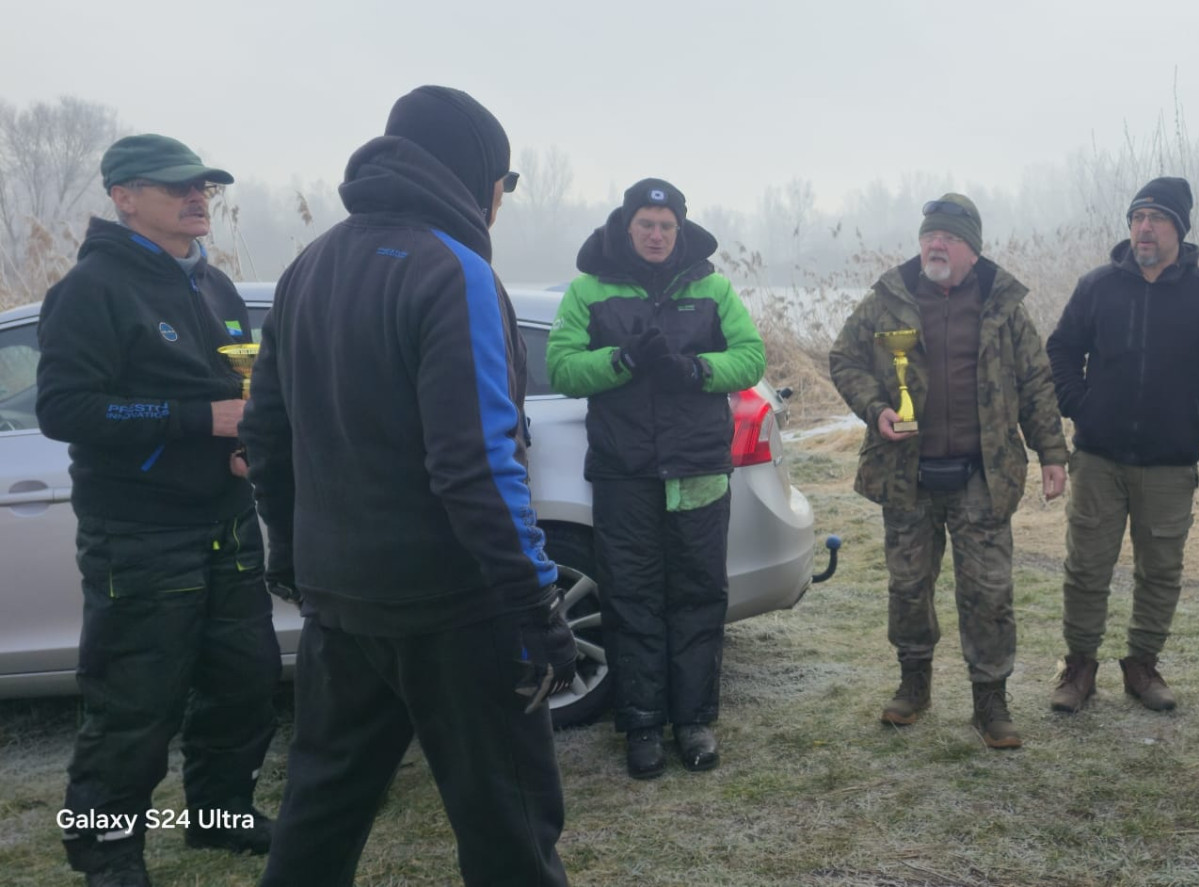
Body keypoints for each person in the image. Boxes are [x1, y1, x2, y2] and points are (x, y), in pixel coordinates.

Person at [243, 85, 573, 886]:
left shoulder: (307, 265)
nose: (502, 202)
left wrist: (291, 555)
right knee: (509, 825)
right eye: (503, 183)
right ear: (477, 175)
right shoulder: (453, 269)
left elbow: (266, 436)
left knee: (319, 812)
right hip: (455, 609)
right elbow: (476, 463)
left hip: (340, 602)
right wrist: (536, 602)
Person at [37, 134, 278, 887]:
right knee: (133, 703)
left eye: (203, 185)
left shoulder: (217, 285)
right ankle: (107, 854)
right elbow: (64, 408)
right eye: (177, 187)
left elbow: (240, 389)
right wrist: (196, 421)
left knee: (245, 682)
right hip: (140, 530)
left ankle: (220, 814)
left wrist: (245, 444)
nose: (197, 196)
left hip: (227, 517)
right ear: (125, 197)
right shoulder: (92, 289)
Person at [829, 194, 1069, 749]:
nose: (936, 245)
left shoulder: (1003, 304)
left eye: (950, 238)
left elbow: (1035, 381)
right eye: (929, 236)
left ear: (972, 250)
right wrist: (876, 408)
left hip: (983, 474)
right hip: (905, 474)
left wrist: (1053, 453)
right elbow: (844, 359)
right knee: (908, 586)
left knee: (989, 592)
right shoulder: (888, 298)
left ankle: (991, 700)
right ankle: (914, 684)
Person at [546, 178, 765, 780]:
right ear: (627, 226)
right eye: (646, 224)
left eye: (667, 226)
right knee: (631, 597)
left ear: (680, 229)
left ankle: (693, 721)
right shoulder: (588, 289)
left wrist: (693, 370)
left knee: (699, 595)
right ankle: (641, 724)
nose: (657, 235)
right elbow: (561, 366)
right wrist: (621, 361)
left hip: (698, 471)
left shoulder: (713, 287)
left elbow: (751, 357)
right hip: (625, 473)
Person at [1043, 177, 1199, 714]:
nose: (1144, 227)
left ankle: (1142, 664)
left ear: (1179, 229)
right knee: (1086, 566)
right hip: (1098, 457)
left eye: (1156, 218)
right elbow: (1062, 349)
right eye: (1137, 217)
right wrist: (1080, 404)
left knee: (1160, 570)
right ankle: (1079, 666)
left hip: (1169, 464)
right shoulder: (1097, 287)